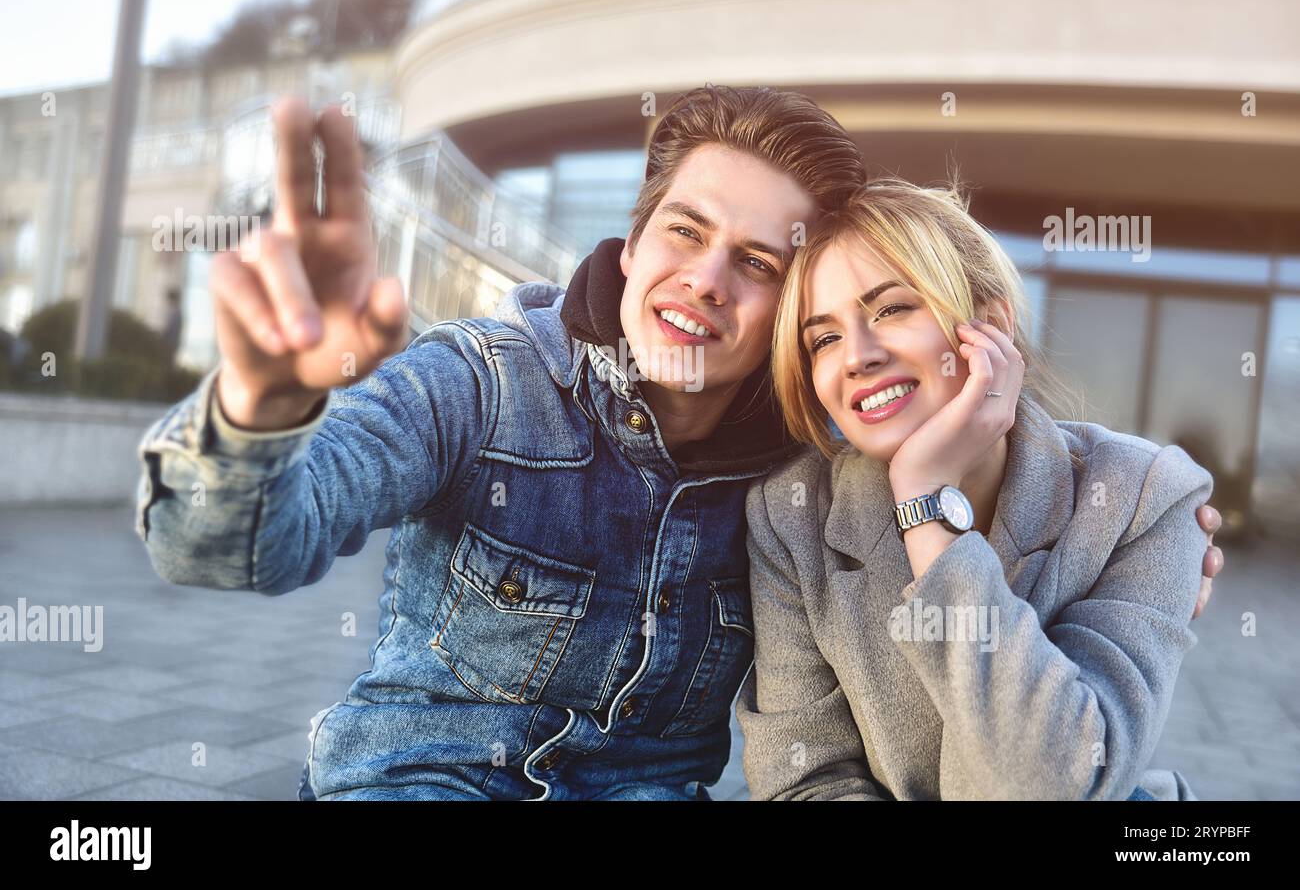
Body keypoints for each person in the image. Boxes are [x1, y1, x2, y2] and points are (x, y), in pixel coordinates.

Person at [134, 87, 1223, 801]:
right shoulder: (480, 381)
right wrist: (263, 402)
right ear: (634, 238)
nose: (705, 281)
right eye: (686, 234)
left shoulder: (804, 476)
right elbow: (235, 548)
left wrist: (1135, 531)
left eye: (757, 264)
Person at [737, 179, 1212, 800]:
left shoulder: (1144, 497)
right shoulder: (789, 516)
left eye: (891, 308)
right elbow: (802, 784)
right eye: (823, 338)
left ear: (988, 325)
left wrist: (927, 503)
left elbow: (1050, 784)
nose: (856, 356)